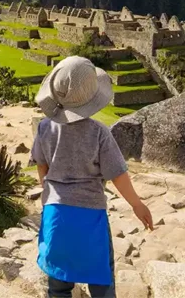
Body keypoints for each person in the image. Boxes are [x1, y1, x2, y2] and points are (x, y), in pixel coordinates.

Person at [31, 56, 154, 298]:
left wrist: (46, 191)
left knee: (58, 282)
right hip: (90, 215)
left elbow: (41, 166)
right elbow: (118, 174)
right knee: (101, 279)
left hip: (56, 213)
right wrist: (137, 204)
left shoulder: (45, 127)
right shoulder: (99, 133)